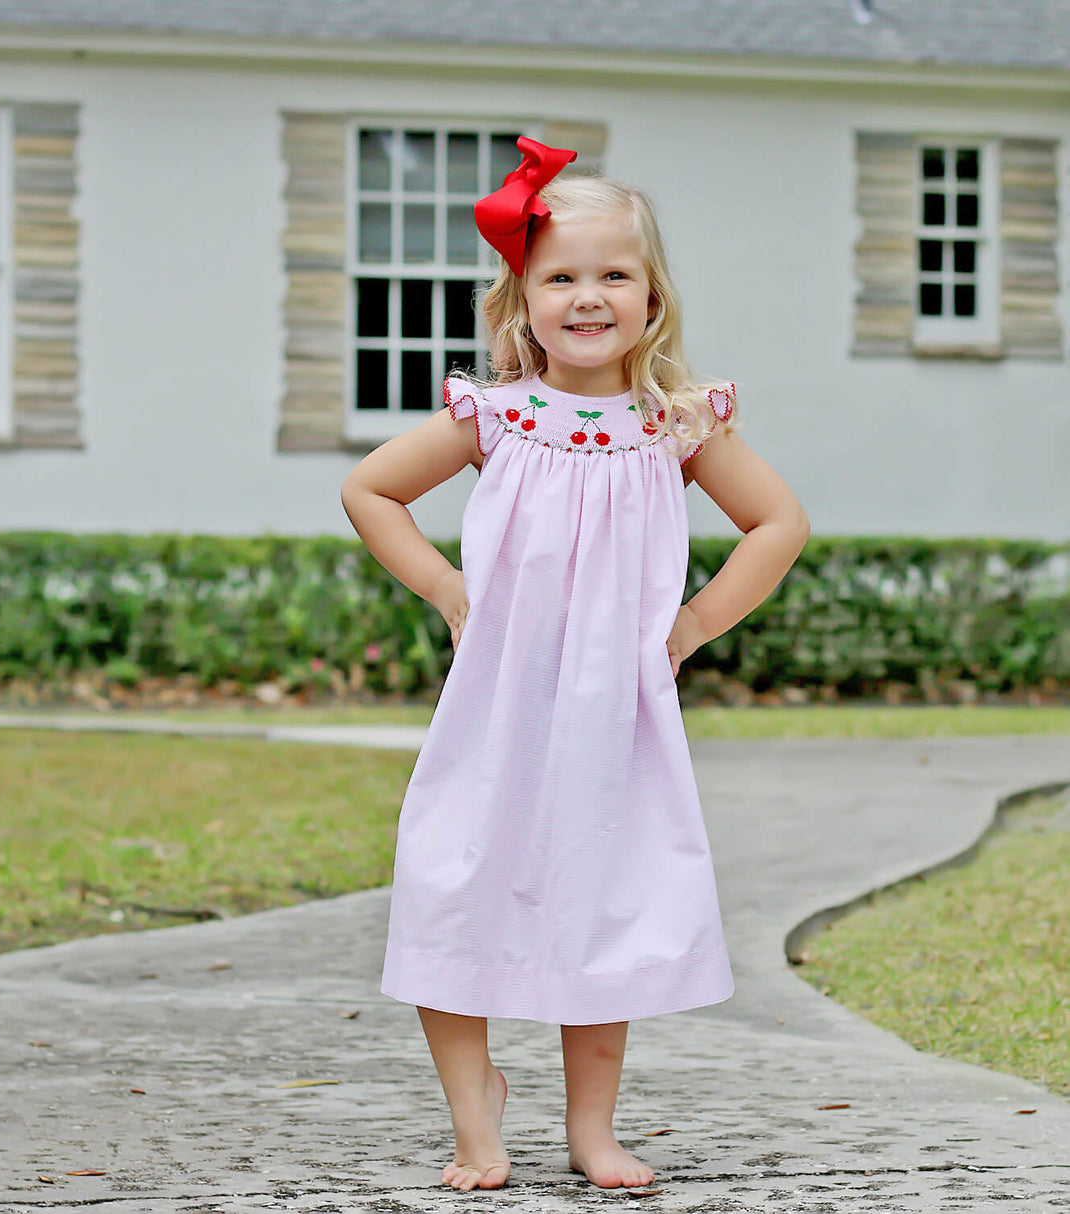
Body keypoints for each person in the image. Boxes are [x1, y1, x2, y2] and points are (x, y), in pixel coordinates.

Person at [340, 137, 809, 1194]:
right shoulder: (495, 418)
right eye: (559, 275)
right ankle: (475, 1118)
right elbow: (371, 489)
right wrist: (450, 588)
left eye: (612, 274)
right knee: (450, 886)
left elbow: (777, 521)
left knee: (599, 898)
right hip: (496, 705)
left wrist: (689, 623)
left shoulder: (671, 426)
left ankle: (591, 1128)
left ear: (651, 300)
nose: (586, 296)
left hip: (612, 714)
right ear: (521, 297)